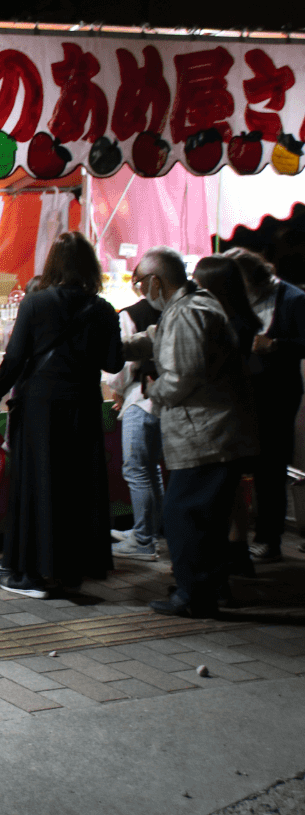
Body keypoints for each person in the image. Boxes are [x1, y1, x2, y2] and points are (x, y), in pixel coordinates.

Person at [0, 232, 121, 599]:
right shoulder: (103, 309)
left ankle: (34, 574)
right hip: (84, 405)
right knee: (78, 486)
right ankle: (72, 569)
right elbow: (113, 362)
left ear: (52, 264)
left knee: (39, 485)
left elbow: (14, 359)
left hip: (40, 407)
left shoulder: (37, 303)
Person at [125, 247, 257, 617]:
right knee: (205, 518)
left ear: (155, 281)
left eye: (140, 283)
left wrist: (154, 391)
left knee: (186, 515)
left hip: (205, 435)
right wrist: (119, 348)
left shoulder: (188, 312)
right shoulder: (190, 307)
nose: (140, 291)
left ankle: (194, 595)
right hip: (212, 433)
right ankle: (206, 585)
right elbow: (156, 337)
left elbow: (184, 375)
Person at [226, 247, 305, 564]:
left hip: (278, 394)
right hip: (243, 392)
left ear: (255, 278)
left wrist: (276, 345)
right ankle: (239, 538)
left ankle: (269, 539)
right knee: (243, 464)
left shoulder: (293, 298)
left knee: (271, 467)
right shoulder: (238, 299)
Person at [192, 254, 263, 579]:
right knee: (233, 491)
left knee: (224, 491)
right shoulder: (242, 320)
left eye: (199, 282)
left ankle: (227, 560)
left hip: (225, 415)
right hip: (241, 412)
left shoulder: (226, 324)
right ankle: (239, 556)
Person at [104, 281, 164, 562]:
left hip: (141, 400)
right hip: (161, 401)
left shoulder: (129, 315)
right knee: (151, 470)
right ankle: (150, 531)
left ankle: (143, 539)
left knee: (138, 470)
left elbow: (121, 364)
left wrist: (116, 387)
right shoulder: (171, 312)